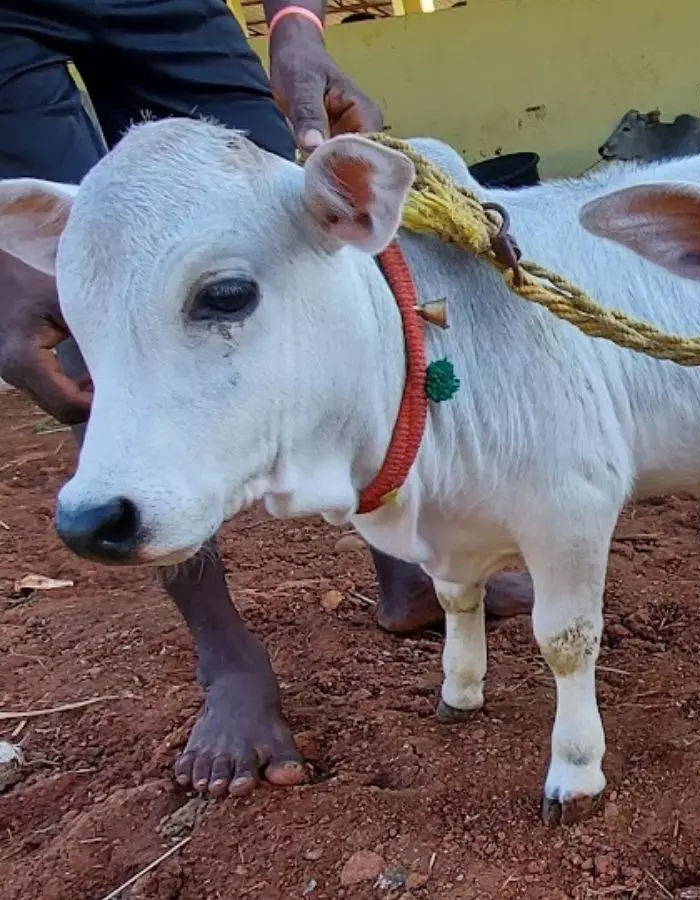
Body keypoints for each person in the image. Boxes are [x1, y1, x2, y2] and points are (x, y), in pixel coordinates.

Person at [0, 0, 534, 798]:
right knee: (110, 296)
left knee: (289, 252)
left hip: (170, 10)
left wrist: (294, 23)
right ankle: (228, 665)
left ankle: (401, 560)